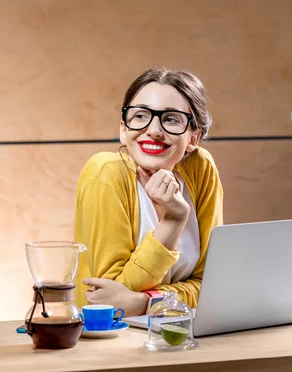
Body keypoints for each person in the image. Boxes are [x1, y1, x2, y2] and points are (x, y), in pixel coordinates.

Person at [74, 68, 223, 316]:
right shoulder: (105, 173)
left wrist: (148, 303)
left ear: (193, 139)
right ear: (124, 129)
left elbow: (213, 287)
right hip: (112, 340)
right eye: (141, 116)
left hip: (182, 333)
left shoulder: (200, 168)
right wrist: (173, 220)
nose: (153, 130)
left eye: (171, 119)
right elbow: (110, 303)